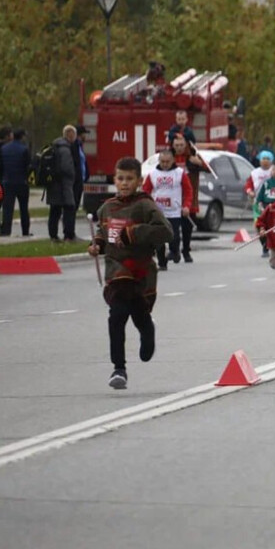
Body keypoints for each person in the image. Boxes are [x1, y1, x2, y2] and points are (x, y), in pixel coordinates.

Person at [88, 157, 174, 389]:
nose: (124, 183)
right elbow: (102, 230)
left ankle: (148, 331)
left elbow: (166, 232)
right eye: (120, 178)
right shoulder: (107, 207)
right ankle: (119, 369)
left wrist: (135, 233)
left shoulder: (145, 205)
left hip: (141, 272)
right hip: (117, 272)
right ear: (114, 179)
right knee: (116, 317)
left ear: (139, 180)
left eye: (129, 179)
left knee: (140, 316)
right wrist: (97, 244)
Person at [141, 148, 193, 272]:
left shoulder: (179, 173)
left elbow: (188, 191)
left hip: (174, 211)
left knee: (173, 237)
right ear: (159, 160)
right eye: (162, 161)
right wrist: (146, 206)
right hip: (158, 211)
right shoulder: (153, 174)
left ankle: (175, 252)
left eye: (167, 162)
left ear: (173, 160)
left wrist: (187, 206)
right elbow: (145, 191)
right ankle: (162, 263)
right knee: (159, 238)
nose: (164, 164)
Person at [168, 135, 206, 263]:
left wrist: (199, 162)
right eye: (176, 145)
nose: (179, 148)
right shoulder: (168, 159)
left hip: (190, 198)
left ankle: (186, 251)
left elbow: (209, 168)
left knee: (187, 228)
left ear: (186, 145)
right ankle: (174, 251)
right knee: (173, 228)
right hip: (173, 199)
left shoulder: (192, 157)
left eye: (181, 145)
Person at [46, 126, 78, 242]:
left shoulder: (55, 146)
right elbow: (66, 168)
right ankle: (68, 236)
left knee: (54, 211)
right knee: (69, 208)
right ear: (70, 134)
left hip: (53, 184)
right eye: (74, 135)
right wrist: (73, 176)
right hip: (64, 185)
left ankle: (53, 236)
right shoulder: (65, 148)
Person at [0, 130, 32, 237]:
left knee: (7, 208)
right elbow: (28, 166)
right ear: (22, 137)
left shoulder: (4, 148)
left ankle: (6, 230)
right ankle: (25, 231)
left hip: (7, 182)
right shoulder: (24, 149)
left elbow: (0, 166)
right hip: (22, 182)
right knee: (24, 208)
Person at [73, 126, 89, 212]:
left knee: (76, 205)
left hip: (80, 181)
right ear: (79, 134)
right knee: (73, 206)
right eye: (84, 134)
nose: (85, 136)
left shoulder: (80, 146)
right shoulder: (74, 146)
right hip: (76, 181)